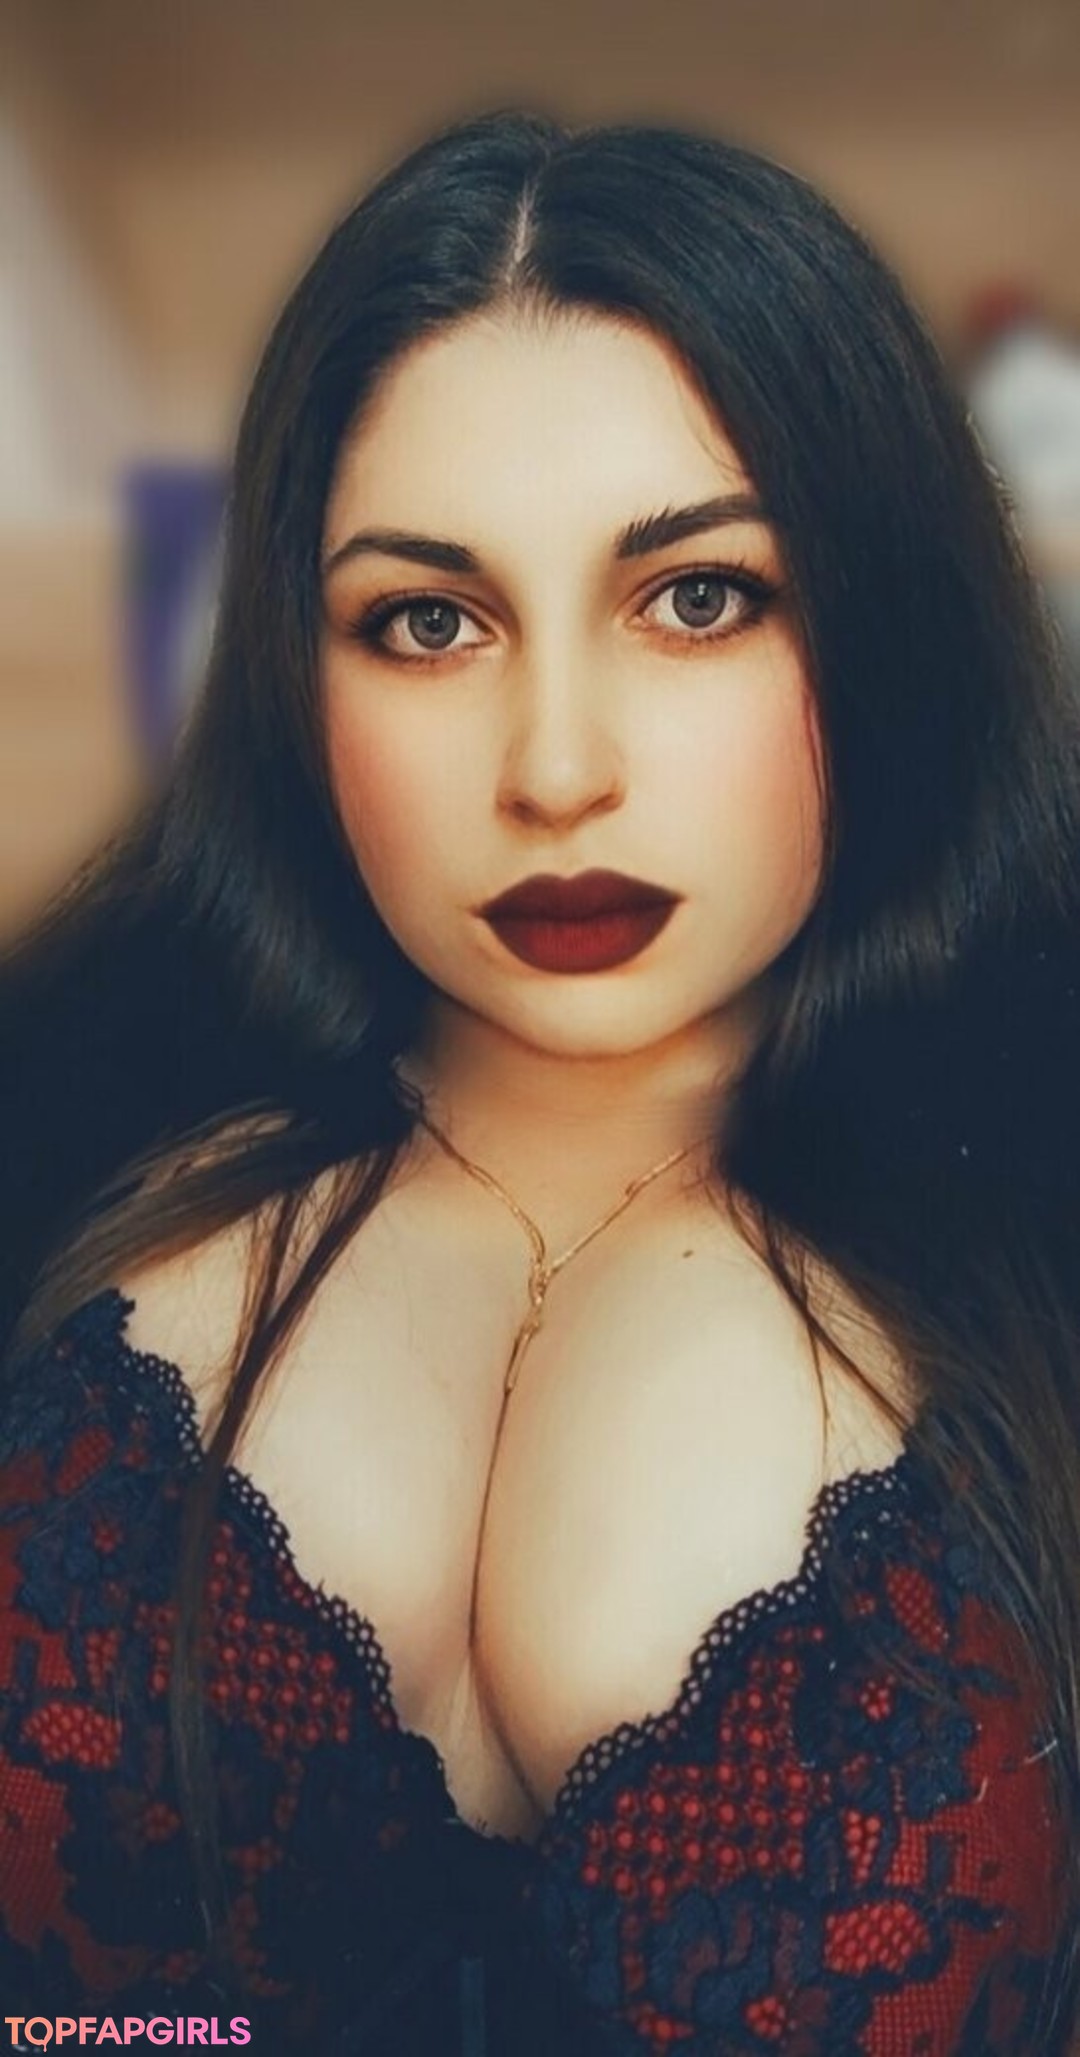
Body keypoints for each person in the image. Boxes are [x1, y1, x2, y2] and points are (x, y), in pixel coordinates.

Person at [1, 110, 1078, 2057]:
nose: (557, 767)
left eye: (698, 598)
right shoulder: (65, 1133)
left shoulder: (1042, 1201)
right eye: (430, 621)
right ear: (296, 666)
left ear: (886, 611)